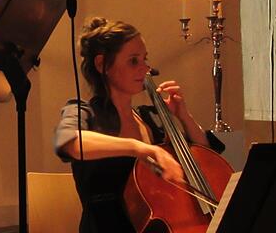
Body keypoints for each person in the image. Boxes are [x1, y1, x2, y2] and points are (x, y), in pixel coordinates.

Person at [54, 17, 225, 233]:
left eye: (145, 59)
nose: (145, 68)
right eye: (133, 61)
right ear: (102, 64)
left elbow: (206, 157)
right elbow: (67, 142)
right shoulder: (84, 112)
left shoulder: (148, 118)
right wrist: (139, 148)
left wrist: (185, 116)